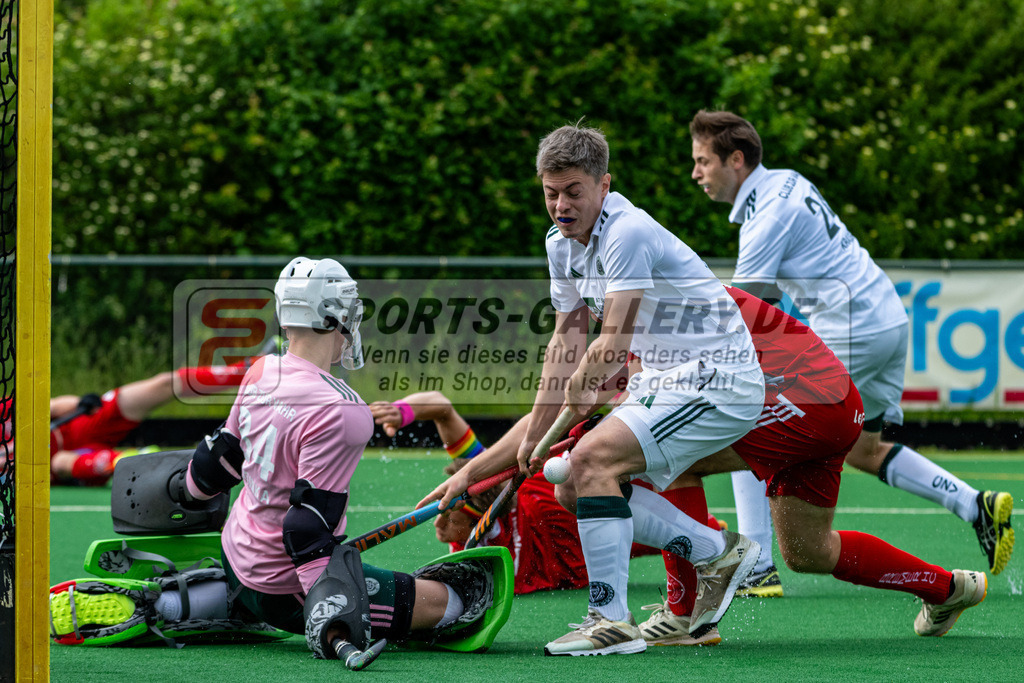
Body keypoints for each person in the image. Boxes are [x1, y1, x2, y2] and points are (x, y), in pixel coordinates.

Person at [48, 257, 508, 665]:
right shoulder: (343, 411)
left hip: (236, 554)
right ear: (336, 317)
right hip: (286, 587)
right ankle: (239, 605)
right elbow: (306, 530)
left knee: (258, 588)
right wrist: (329, 610)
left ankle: (183, 602)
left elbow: (216, 465)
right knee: (462, 601)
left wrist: (180, 496)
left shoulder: (262, 370)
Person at [429, 123, 768, 657]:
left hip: (717, 378)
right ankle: (717, 552)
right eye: (550, 193)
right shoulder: (559, 245)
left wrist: (583, 389)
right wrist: (528, 440)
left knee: (588, 459)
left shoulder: (627, 232)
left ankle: (610, 621)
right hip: (666, 381)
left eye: (573, 192)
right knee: (569, 483)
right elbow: (566, 341)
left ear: (603, 184)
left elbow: (612, 338)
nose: (560, 205)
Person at [689, 109, 1014, 585]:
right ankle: (975, 504)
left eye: (703, 161)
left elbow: (746, 313)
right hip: (886, 317)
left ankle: (757, 568)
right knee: (865, 449)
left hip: (851, 330)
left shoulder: (764, 218)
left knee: (750, 418)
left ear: (736, 159)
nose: (696, 173)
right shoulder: (787, 180)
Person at [634, 287, 988, 646]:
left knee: (671, 458)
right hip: (835, 402)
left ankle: (683, 616)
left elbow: (642, 403)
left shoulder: (657, 303)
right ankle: (949, 588)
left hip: (805, 400)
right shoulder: (669, 292)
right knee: (809, 550)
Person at [371, 392, 680, 596]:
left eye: (449, 517)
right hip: (583, 511)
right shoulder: (490, 479)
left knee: (671, 532)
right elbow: (441, 406)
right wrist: (402, 411)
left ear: (481, 523)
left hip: (588, 526)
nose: (437, 523)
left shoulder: (491, 561)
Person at [43, 354, 263, 485]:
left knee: (163, 383)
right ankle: (138, 461)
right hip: (59, 463)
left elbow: (53, 406)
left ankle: (254, 367)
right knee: (60, 462)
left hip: (78, 424)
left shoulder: (7, 407)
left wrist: (78, 403)